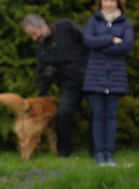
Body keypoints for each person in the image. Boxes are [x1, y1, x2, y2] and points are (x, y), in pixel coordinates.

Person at [22, 14, 90, 157]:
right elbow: (43, 77)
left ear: (42, 26)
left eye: (34, 34)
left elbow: (88, 41)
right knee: (64, 113)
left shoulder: (65, 27)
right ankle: (64, 152)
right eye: (31, 37)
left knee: (95, 112)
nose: (34, 39)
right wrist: (41, 97)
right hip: (69, 84)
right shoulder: (41, 49)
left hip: (90, 77)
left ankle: (97, 151)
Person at [83, 0, 134, 167]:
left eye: (112, 0)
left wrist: (101, 47)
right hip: (95, 76)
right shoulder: (93, 21)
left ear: (118, 3)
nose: (108, 4)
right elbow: (88, 41)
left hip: (116, 77)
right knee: (98, 115)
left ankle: (109, 154)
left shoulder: (126, 23)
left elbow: (126, 45)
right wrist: (111, 39)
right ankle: (99, 154)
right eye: (105, 0)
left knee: (111, 116)